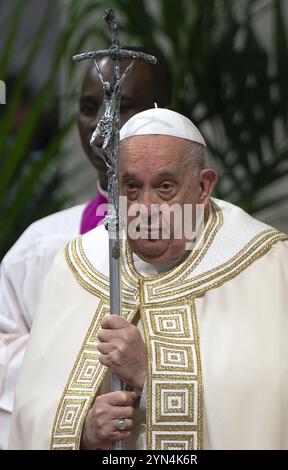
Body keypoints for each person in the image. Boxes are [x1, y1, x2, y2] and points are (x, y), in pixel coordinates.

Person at [8, 108, 288, 450]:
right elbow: (29, 406)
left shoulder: (269, 265)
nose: (145, 208)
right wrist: (82, 431)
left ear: (204, 186)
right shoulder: (77, 266)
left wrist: (152, 375)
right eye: (131, 187)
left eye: (164, 187)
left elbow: (275, 403)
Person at [0, 52, 172, 449]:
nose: (101, 126)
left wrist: (152, 372)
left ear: (165, 114)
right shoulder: (41, 245)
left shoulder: (216, 248)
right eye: (89, 107)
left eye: (123, 106)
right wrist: (82, 401)